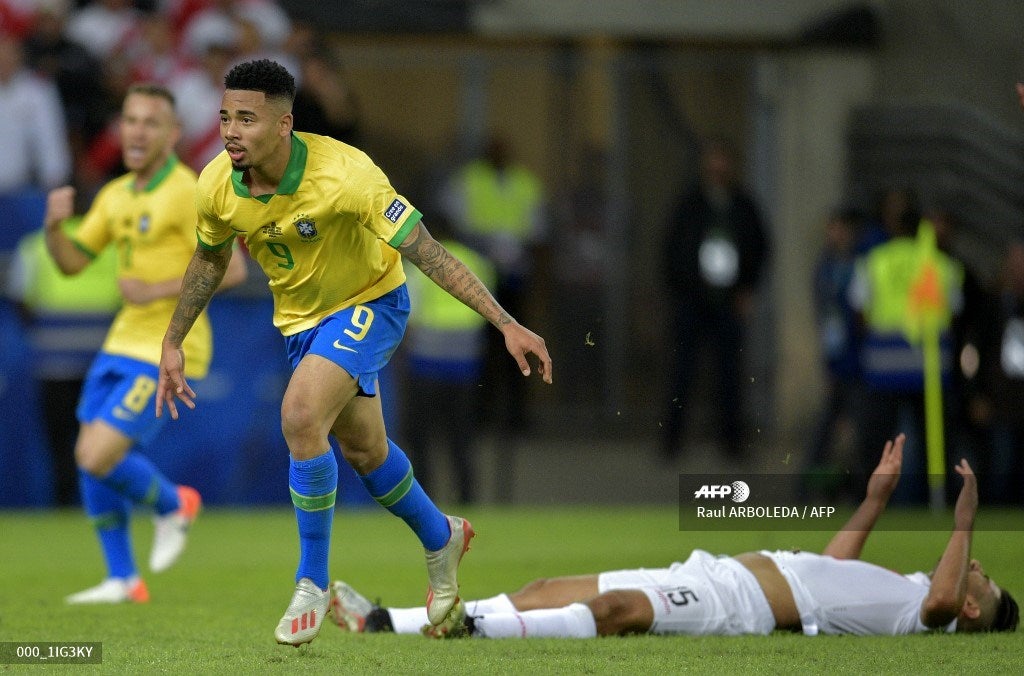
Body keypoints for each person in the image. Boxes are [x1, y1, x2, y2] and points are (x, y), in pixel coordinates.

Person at [154, 59, 552, 647]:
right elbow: (211, 259)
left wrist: (505, 322)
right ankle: (441, 534)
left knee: (299, 415)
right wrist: (173, 338)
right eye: (224, 118)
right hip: (300, 325)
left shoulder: (347, 174)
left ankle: (310, 580)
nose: (231, 131)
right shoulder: (215, 183)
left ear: (284, 123)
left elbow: (427, 251)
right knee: (366, 451)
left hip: (372, 301)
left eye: (246, 118)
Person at [331, 434, 1018, 638]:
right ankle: (386, 621)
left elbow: (936, 607)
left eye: (979, 581)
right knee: (543, 589)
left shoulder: (924, 613)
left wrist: (962, 520)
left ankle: (470, 632)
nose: (974, 568)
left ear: (967, 606)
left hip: (739, 607)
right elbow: (825, 564)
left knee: (616, 612)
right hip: (718, 569)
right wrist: (873, 500)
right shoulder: (902, 588)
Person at [42, 83, 247, 604]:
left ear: (173, 134)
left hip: (171, 347)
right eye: (130, 120)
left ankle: (174, 504)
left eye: (150, 122)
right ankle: (122, 579)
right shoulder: (115, 195)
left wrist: (153, 289)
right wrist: (52, 226)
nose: (136, 131)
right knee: (93, 457)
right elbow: (70, 264)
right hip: (120, 343)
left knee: (94, 454)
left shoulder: (188, 191)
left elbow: (234, 269)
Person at [660, 136, 771, 461]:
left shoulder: (743, 204)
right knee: (682, 373)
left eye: (723, 159)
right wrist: (681, 291)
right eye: (712, 158)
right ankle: (672, 441)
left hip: (728, 304)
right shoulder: (689, 204)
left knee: (729, 375)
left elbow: (759, 247)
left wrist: (747, 288)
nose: (717, 166)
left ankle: (732, 443)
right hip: (692, 303)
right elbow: (671, 250)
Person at [6, 214, 120, 506]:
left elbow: (19, 296)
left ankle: (65, 501)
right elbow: (129, 294)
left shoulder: (35, 245)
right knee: (102, 436)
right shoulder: (111, 244)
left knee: (60, 438)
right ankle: (98, 502)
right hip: (100, 359)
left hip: (55, 360)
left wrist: (46, 330)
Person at [400, 217, 496, 504]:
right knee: (462, 438)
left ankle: (421, 501)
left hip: (425, 362)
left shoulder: (419, 264)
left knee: (421, 438)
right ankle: (468, 499)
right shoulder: (477, 264)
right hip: (465, 364)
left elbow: (410, 315)